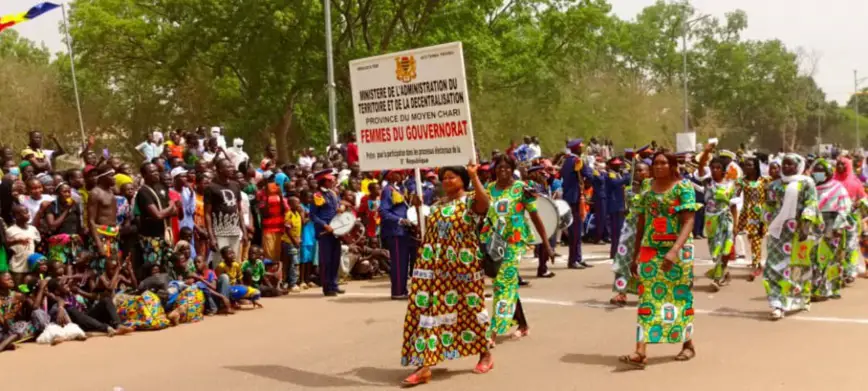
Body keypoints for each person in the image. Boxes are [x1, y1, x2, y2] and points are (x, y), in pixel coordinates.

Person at [399, 164, 492, 386]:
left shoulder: (470, 200)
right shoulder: (438, 205)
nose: (448, 181)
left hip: (463, 266)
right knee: (428, 311)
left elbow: (485, 205)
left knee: (471, 309)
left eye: (453, 177)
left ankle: (485, 354)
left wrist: (474, 175)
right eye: (445, 178)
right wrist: (419, 210)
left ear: (462, 180)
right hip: (434, 269)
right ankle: (424, 365)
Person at [619, 152, 699, 369]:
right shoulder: (647, 187)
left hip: (677, 249)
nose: (659, 166)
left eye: (664, 162)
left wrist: (674, 250)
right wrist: (636, 254)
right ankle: (640, 350)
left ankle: (687, 344)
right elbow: (642, 221)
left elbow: (689, 221)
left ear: (673, 165)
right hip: (650, 248)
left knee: (678, 297)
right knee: (647, 298)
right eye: (655, 163)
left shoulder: (683, 188)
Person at [482, 155, 554, 343]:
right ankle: (522, 325)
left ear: (512, 169)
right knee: (508, 283)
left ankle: (494, 330)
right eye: (499, 167)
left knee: (503, 284)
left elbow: (535, 216)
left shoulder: (521, 189)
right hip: (493, 243)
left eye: (507, 168)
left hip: (514, 243)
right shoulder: (488, 189)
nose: (503, 171)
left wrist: (546, 244)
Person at [763, 153, 819, 320]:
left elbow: (811, 203)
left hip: (798, 232)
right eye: (784, 164)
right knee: (773, 267)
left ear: (799, 166)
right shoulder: (774, 186)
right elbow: (769, 206)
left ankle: (798, 299)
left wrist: (806, 223)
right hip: (777, 233)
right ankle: (776, 304)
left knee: (796, 268)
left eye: (790, 164)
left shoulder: (806, 183)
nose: (786, 167)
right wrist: (765, 223)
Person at [697, 148, 739, 291]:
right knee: (715, 250)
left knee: (726, 248)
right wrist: (706, 151)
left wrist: (736, 225)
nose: (715, 170)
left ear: (723, 170)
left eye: (718, 168)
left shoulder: (731, 185)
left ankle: (717, 278)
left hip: (726, 218)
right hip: (710, 220)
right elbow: (700, 167)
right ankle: (724, 272)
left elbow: (733, 206)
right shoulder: (707, 183)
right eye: (712, 167)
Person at [610, 161, 650, 306]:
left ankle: (646, 293)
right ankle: (622, 293)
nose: (639, 173)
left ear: (649, 173)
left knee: (646, 261)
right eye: (637, 170)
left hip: (648, 227)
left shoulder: (653, 189)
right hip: (630, 230)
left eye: (643, 170)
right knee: (623, 260)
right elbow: (628, 209)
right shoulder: (628, 190)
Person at [810, 158, 851, 301]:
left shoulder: (838, 188)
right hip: (816, 224)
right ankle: (818, 289)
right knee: (815, 258)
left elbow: (844, 208)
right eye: (816, 170)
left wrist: (838, 226)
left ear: (828, 172)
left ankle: (830, 289)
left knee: (830, 258)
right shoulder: (811, 188)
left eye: (821, 171)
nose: (818, 173)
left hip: (832, 225)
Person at [204, 159, 247, 268]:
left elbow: (239, 210)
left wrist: (244, 232)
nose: (231, 169)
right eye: (228, 167)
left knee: (234, 261)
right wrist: (211, 236)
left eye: (231, 166)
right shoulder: (211, 187)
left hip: (234, 230)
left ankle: (234, 284)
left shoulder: (235, 185)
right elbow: (207, 214)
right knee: (219, 263)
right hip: (219, 231)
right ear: (219, 170)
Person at [136, 163, 178, 273]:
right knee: (154, 267)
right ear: (144, 175)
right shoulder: (143, 192)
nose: (156, 174)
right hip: (152, 237)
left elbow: (175, 212)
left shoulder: (161, 187)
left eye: (156, 171)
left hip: (165, 235)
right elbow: (157, 215)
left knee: (168, 264)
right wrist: (171, 206)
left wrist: (168, 209)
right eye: (152, 172)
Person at [310, 169, 345, 296]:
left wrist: (340, 209)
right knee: (326, 260)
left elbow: (336, 207)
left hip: (336, 230)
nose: (333, 181)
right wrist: (325, 225)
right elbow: (313, 216)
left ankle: (334, 284)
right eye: (330, 180)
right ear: (323, 181)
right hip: (325, 232)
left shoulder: (333, 193)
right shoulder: (317, 195)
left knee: (335, 259)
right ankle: (327, 287)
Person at [379, 170, 413, 300]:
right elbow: (383, 211)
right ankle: (398, 291)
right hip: (395, 230)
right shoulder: (388, 190)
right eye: (398, 173)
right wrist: (399, 220)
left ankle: (402, 289)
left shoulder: (400, 188)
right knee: (398, 262)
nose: (402, 175)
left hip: (404, 230)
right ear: (391, 176)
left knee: (404, 262)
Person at [833, 156, 866, 283]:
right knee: (836, 246)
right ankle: (837, 272)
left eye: (843, 164)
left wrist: (858, 203)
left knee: (851, 245)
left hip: (851, 218)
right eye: (838, 164)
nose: (840, 166)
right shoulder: (832, 181)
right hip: (835, 218)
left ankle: (850, 271)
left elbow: (863, 197)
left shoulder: (855, 182)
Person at [560, 139, 592, 269]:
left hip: (570, 197)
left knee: (577, 230)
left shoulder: (566, 161)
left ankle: (578, 257)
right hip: (574, 198)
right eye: (580, 148)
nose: (581, 150)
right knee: (575, 231)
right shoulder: (576, 161)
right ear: (576, 149)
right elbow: (588, 174)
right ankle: (573, 260)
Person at [738, 156, 770, 281]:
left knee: (756, 238)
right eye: (745, 165)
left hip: (760, 213)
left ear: (756, 167)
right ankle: (756, 262)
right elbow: (734, 195)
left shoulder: (764, 181)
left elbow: (769, 197)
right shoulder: (741, 182)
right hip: (746, 213)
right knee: (746, 236)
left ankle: (757, 263)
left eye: (749, 165)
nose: (746, 167)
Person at [5, 205, 41, 284]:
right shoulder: (10, 231)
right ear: (17, 216)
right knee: (20, 290)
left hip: (31, 267)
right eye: (25, 212)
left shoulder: (33, 229)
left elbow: (37, 243)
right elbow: (6, 246)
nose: (28, 214)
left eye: (28, 212)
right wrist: (17, 241)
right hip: (18, 269)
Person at [605, 157, 631, 258]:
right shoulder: (611, 174)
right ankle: (615, 252)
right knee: (616, 231)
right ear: (611, 165)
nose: (619, 166)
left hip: (620, 204)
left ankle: (618, 251)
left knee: (620, 230)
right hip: (615, 205)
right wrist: (627, 175)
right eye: (616, 164)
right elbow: (615, 183)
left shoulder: (618, 174)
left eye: (619, 164)